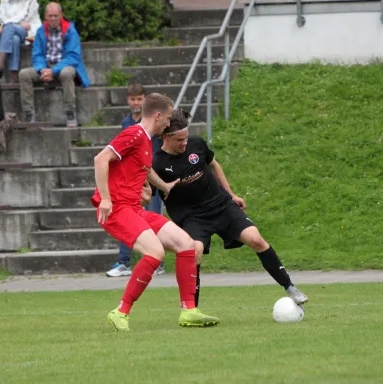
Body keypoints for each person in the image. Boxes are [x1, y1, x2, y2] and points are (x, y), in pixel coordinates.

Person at [151, 109, 309, 307]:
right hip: (192, 217)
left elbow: (214, 165)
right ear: (166, 136)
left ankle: (290, 287)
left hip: (221, 205)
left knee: (256, 239)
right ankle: (191, 308)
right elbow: (147, 194)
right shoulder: (157, 163)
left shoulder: (196, 144)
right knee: (194, 252)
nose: (185, 143)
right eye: (179, 140)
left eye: (186, 137)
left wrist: (232, 195)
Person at [92, 93, 220, 332]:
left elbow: (143, 169)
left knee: (186, 244)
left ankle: (189, 311)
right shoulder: (133, 134)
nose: (169, 122)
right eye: (169, 117)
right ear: (158, 115)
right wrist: (106, 199)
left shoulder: (145, 141)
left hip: (133, 208)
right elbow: (101, 159)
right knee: (155, 251)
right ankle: (121, 311)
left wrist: (160, 186)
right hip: (117, 209)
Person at [106, 83, 165, 277]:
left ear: (145, 100)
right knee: (127, 219)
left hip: (149, 177)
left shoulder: (154, 123)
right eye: (133, 99)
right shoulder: (126, 123)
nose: (136, 102)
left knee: (153, 215)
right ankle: (123, 262)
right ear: (127, 100)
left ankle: (158, 262)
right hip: (130, 180)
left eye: (139, 99)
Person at [18, 2, 90, 127]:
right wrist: (43, 70)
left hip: (64, 66)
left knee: (67, 73)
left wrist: (54, 70)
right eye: (50, 16)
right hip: (46, 67)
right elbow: (37, 54)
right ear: (45, 16)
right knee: (24, 74)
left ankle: (70, 113)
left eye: (55, 16)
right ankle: (29, 114)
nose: (53, 19)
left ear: (61, 15)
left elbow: (73, 56)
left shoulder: (70, 30)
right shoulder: (41, 31)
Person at [0, 0, 42, 82]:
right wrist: (11, 24)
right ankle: (14, 74)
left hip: (29, 30)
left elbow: (26, 13)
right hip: (13, 31)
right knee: (14, 39)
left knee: (9, 27)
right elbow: (1, 15)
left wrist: (4, 25)